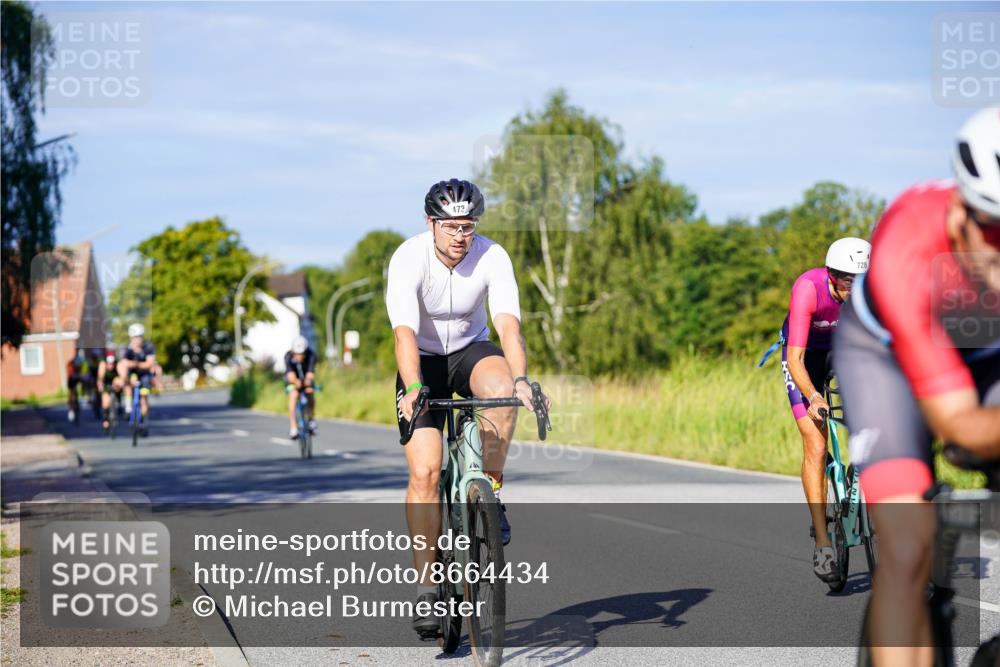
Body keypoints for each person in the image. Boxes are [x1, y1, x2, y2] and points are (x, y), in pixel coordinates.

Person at [834, 106, 1000, 666]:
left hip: (989, 358)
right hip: (884, 359)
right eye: (996, 230)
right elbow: (962, 428)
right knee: (907, 547)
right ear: (961, 213)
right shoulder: (911, 244)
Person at [386, 178, 548, 638]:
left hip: (470, 351)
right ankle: (426, 589)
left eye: (469, 226)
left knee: (502, 388)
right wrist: (414, 385)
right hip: (422, 361)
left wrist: (520, 380)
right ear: (431, 224)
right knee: (425, 472)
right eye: (452, 226)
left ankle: (490, 488)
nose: (461, 236)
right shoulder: (408, 259)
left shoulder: (492, 256)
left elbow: (508, 325)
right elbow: (402, 334)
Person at [761, 237, 871, 582]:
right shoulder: (809, 289)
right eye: (846, 280)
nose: (854, 287)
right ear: (832, 274)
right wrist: (814, 397)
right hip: (804, 357)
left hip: (844, 352)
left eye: (861, 279)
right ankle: (823, 541)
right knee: (817, 442)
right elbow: (794, 359)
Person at [119, 323, 156, 435]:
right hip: (133, 374)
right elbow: (123, 363)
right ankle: (128, 407)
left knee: (143, 397)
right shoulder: (127, 349)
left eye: (139, 337)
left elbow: (149, 364)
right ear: (131, 338)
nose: (137, 340)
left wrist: (135, 364)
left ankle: (144, 421)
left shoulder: (148, 347)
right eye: (135, 337)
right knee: (128, 383)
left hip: (144, 374)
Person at [284, 335, 317, 439]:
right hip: (293, 378)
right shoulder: (288, 356)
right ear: (293, 352)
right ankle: (293, 427)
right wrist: (296, 382)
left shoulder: (311, 355)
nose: (300, 356)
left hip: (306, 377)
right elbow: (290, 375)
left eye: (302, 354)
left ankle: (311, 420)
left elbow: (311, 373)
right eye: (297, 354)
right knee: (293, 397)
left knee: (310, 393)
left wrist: (308, 381)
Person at [96, 348, 125, 430]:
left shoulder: (118, 364)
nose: (111, 365)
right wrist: (100, 384)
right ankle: (105, 420)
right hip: (106, 383)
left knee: (118, 382)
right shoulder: (103, 364)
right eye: (109, 363)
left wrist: (122, 381)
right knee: (105, 401)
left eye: (112, 363)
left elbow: (122, 376)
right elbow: (100, 377)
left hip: (115, 383)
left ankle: (119, 404)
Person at [65, 349, 87, 422]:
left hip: (78, 378)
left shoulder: (81, 364)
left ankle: (83, 395)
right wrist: (75, 376)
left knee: (84, 381)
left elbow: (84, 372)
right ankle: (71, 410)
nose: (78, 366)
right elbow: (70, 374)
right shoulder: (70, 364)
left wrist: (83, 376)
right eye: (77, 365)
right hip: (71, 379)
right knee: (71, 393)